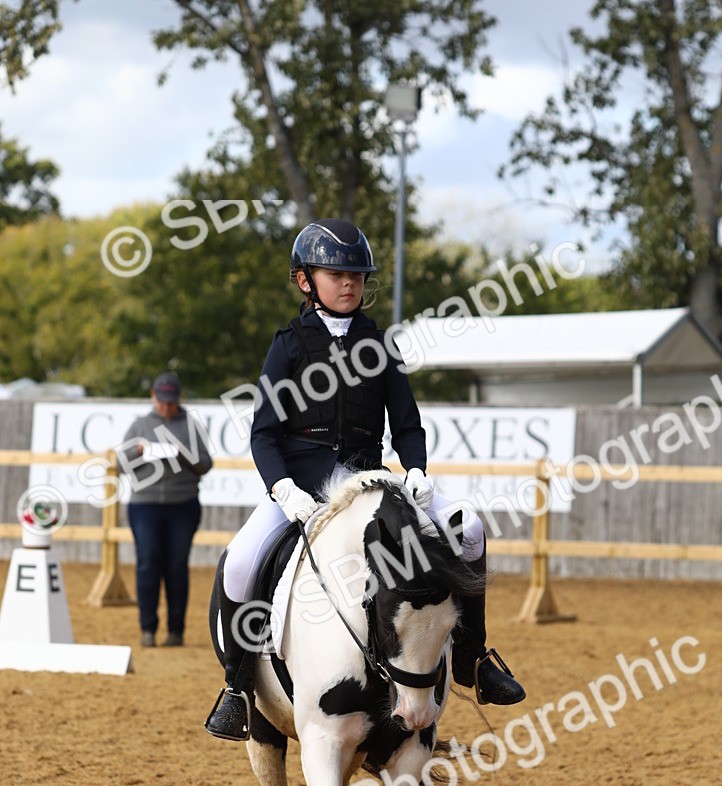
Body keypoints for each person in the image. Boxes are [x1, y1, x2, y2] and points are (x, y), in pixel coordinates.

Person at [205, 218, 525, 741]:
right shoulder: (287, 345)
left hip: (370, 482)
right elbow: (263, 433)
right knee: (240, 563)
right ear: (306, 280)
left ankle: (475, 659)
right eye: (336, 273)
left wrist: (417, 469)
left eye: (356, 274)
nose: (349, 283)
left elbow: (406, 423)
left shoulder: (380, 345)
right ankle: (238, 687)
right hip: (302, 490)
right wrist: (283, 489)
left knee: (470, 530)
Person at [119, 371, 212, 647]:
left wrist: (182, 453)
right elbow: (120, 465)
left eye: (170, 402)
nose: (166, 407)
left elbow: (205, 465)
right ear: (153, 397)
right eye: (161, 401)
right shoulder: (140, 425)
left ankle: (176, 631)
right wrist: (137, 450)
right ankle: (147, 629)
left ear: (178, 399)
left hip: (182, 505)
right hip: (144, 504)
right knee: (147, 564)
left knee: (176, 567)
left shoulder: (190, 425)